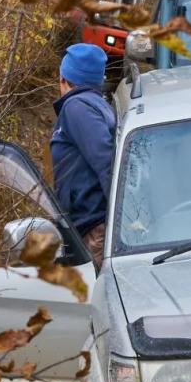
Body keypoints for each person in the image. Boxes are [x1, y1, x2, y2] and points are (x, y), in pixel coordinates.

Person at [51, 43, 116, 264]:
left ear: (63, 78)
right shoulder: (98, 105)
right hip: (93, 225)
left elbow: (106, 161)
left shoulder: (76, 107)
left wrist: (122, 216)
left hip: (93, 228)